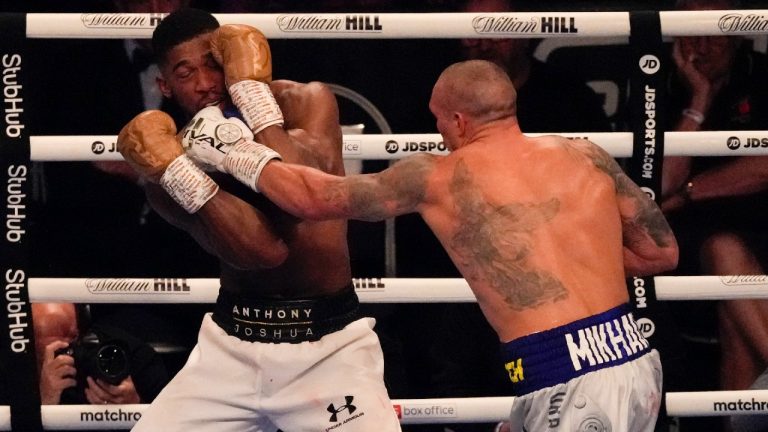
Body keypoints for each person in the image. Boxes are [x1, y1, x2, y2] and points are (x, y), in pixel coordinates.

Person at [179, 59, 679, 431]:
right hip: (635, 360)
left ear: (459, 120)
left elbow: (316, 198)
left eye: (440, 121)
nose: (439, 134)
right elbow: (660, 253)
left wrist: (236, 152)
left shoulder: (437, 176)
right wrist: (570, 257)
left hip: (569, 376)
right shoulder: (585, 155)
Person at [116, 8, 401, 431]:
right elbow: (262, 252)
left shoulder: (306, 101)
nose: (205, 84)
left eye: (214, 64)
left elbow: (308, 197)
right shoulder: (168, 167)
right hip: (230, 347)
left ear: (231, 58)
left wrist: (251, 100)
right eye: (185, 73)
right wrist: (185, 172)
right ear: (165, 86)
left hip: (328, 345)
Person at [660, 0, 768, 398]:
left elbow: (764, 167)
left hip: (760, 233)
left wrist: (690, 193)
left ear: (737, 34)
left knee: (736, 318)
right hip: (688, 248)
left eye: (713, 33)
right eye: (691, 32)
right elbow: (660, 185)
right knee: (724, 250)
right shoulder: (659, 80)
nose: (701, 46)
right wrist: (699, 101)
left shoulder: (763, 76)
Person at [32, 303, 168, 406]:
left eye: (74, 337)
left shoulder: (127, 353)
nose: (69, 349)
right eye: (57, 341)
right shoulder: (15, 374)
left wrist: (134, 408)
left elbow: (170, 422)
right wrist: (45, 403)